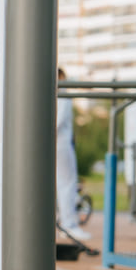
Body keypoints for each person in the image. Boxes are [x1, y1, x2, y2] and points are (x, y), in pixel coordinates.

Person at [56, 68, 90, 241]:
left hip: (50, 143)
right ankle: (68, 224)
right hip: (59, 143)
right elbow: (57, 121)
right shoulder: (62, 94)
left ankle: (65, 222)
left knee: (60, 184)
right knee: (67, 184)